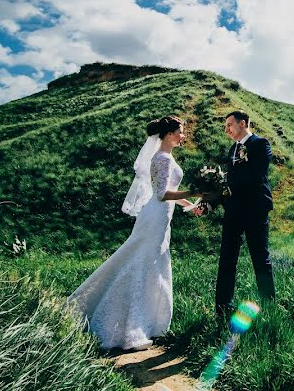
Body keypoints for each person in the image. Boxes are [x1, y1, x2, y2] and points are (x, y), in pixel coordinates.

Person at [67, 116, 203, 350]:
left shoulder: (163, 156)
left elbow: (166, 192)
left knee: (149, 263)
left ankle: (146, 321)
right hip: (156, 217)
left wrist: (190, 206)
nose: (183, 135)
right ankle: (131, 323)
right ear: (169, 134)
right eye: (180, 131)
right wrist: (196, 191)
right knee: (142, 263)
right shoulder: (163, 158)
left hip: (159, 217)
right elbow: (161, 194)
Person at [200, 110, 276, 322]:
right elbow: (228, 184)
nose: (227, 129)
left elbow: (255, 174)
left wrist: (225, 182)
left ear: (243, 124)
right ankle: (222, 308)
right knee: (226, 259)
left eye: (229, 125)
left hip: (255, 210)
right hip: (233, 211)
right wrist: (208, 203)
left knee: (260, 257)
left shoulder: (261, 144)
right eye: (226, 126)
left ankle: (269, 306)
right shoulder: (233, 149)